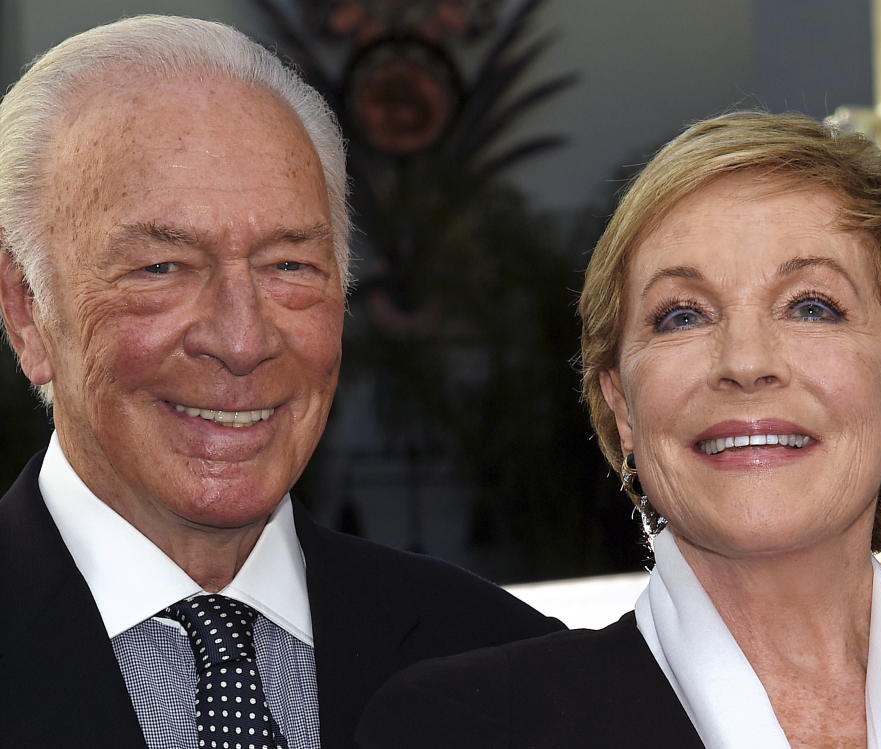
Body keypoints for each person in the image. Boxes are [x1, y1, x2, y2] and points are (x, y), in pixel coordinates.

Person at [0, 15, 561, 748]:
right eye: (161, 268)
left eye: (289, 265)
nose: (242, 340)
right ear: (28, 311)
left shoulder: (509, 667)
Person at [356, 111, 881, 749]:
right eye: (682, 317)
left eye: (812, 307)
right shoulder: (464, 728)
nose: (745, 363)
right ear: (621, 407)